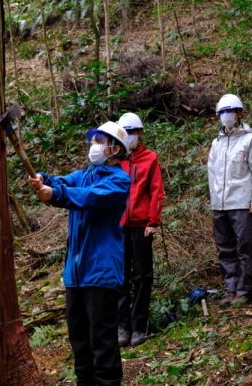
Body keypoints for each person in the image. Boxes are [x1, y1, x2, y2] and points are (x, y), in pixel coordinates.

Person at [29, 121, 131, 386]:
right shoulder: (83, 175)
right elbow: (62, 182)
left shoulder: (119, 181)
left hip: (101, 272)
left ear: (116, 149)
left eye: (101, 141)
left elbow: (88, 198)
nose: (94, 146)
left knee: (102, 339)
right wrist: (43, 179)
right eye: (93, 140)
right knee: (79, 340)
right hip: (75, 275)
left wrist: (55, 193)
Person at [207, 94, 252, 307]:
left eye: (231, 111)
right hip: (220, 205)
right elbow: (212, 173)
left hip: (242, 204)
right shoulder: (217, 143)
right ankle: (230, 289)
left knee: (245, 248)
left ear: (240, 113)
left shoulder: (251, 140)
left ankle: (244, 290)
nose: (227, 116)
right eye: (223, 112)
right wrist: (214, 200)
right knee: (225, 249)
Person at [115, 112, 165, 348]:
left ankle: (139, 326)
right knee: (121, 276)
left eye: (133, 132)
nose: (130, 137)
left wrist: (153, 221)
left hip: (142, 225)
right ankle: (123, 326)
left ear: (140, 133)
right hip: (119, 226)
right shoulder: (116, 159)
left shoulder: (150, 158)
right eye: (127, 133)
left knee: (142, 276)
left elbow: (156, 191)